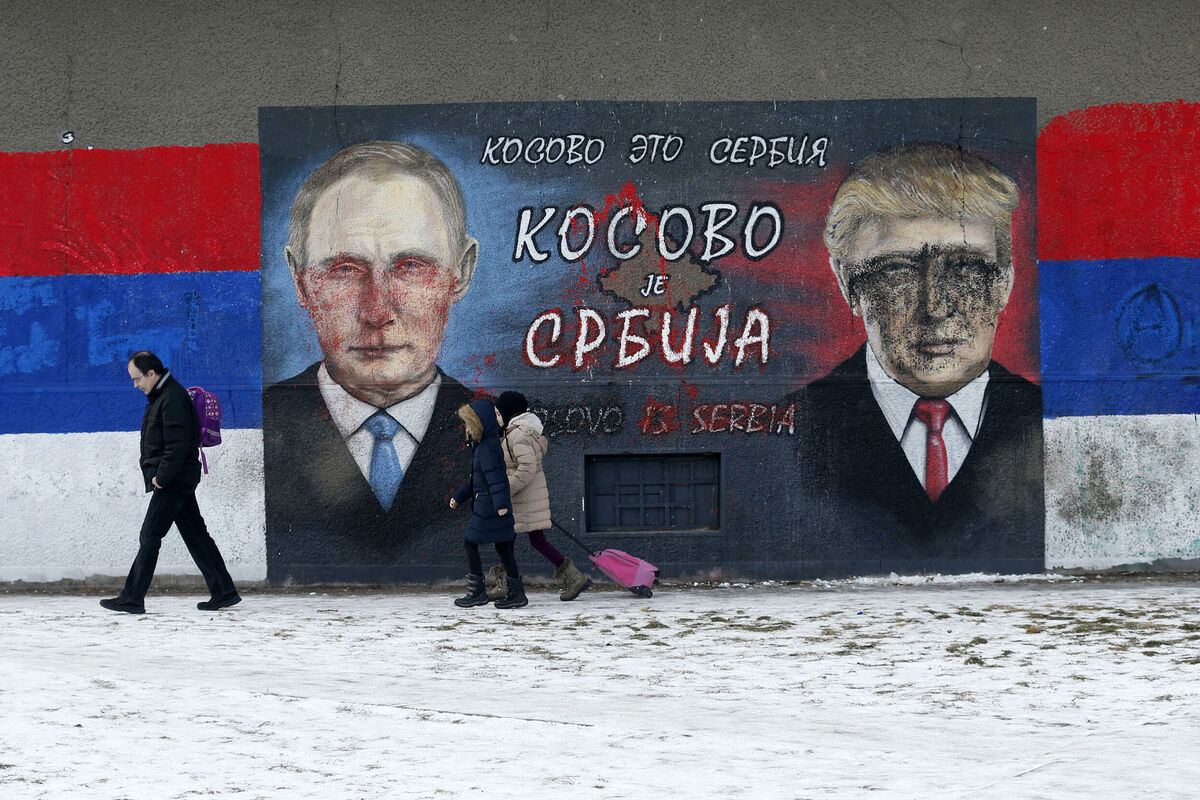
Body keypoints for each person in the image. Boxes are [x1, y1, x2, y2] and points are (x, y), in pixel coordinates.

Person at [787, 142, 1044, 574]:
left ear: (1004, 282)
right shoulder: (788, 432)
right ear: (848, 284)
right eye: (897, 270)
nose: (935, 307)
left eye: (966, 267)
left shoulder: (1058, 427)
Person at [262, 141, 477, 581]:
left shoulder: (500, 427)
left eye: (411, 267)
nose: (377, 311)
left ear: (462, 273)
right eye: (344, 270)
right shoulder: (254, 428)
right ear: (300, 283)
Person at [100, 351, 241, 614]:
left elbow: (177, 446)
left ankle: (132, 598)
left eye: (137, 379)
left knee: (150, 535)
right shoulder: (163, 395)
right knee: (196, 535)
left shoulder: (172, 398)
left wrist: (161, 477)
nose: (135, 385)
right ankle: (224, 591)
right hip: (179, 477)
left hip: (174, 479)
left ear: (151, 373)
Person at [484, 391, 591, 601]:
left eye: (498, 413)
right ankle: (571, 578)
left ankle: (509, 584)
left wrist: (505, 489)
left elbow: (527, 468)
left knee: (522, 540)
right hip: (523, 498)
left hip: (523, 499)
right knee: (520, 540)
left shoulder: (518, 435)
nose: (496, 418)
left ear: (509, 412)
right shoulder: (516, 432)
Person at [449, 399, 526, 609]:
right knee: (503, 548)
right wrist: (459, 496)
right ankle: (516, 593)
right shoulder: (484, 446)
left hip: (490, 508)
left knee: (470, 543)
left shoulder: (487, 448)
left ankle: (478, 593)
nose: (466, 429)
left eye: (469, 424)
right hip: (490, 506)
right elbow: (477, 480)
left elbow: (496, 478)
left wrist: (501, 505)